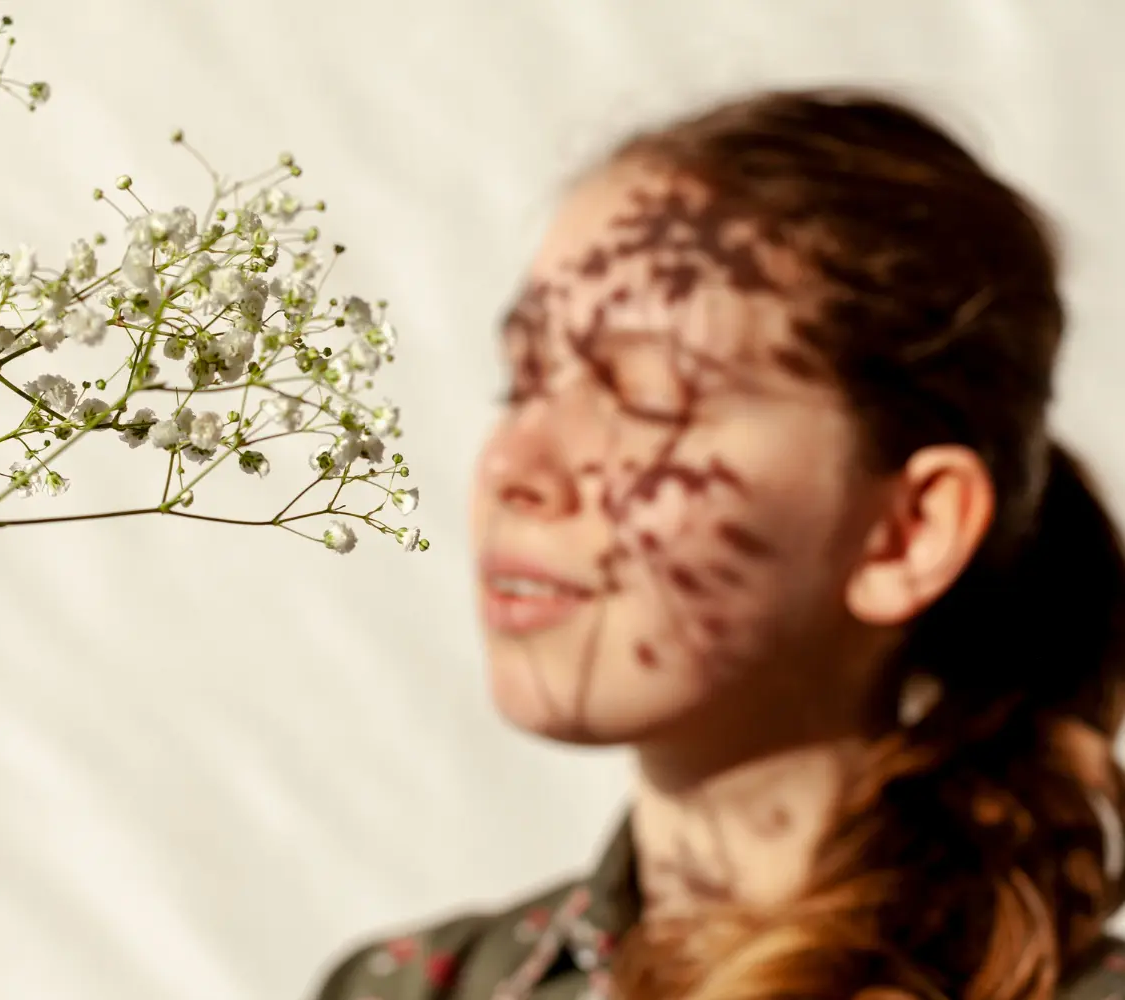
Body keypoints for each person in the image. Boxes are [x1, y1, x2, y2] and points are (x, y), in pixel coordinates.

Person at [306, 87, 1125, 1000]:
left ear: (907, 533)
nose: (514, 465)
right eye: (522, 379)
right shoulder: (417, 989)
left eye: (646, 395)